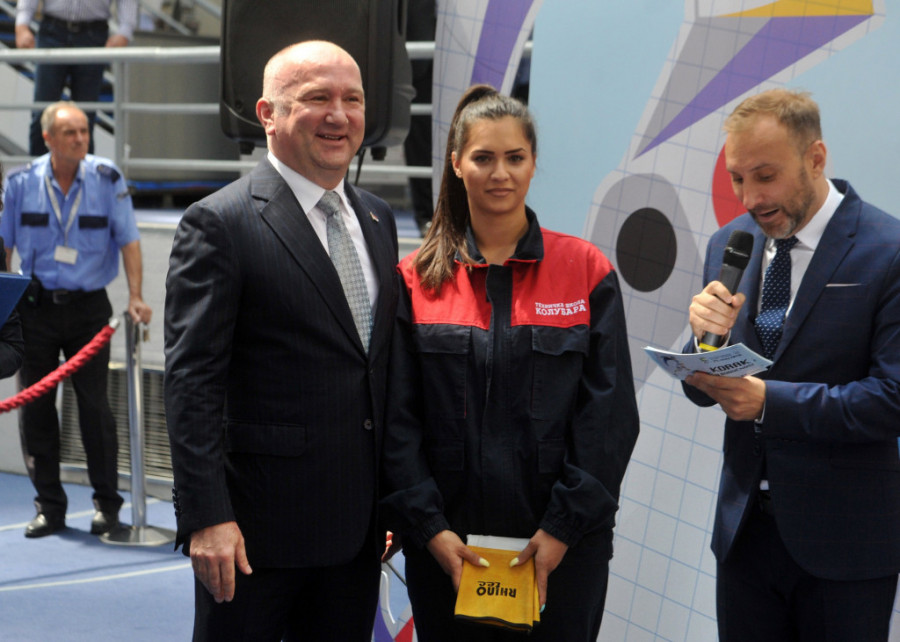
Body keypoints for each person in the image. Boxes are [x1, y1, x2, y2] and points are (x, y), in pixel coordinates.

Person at [381, 85, 640, 641]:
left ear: (533, 162)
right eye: (483, 158)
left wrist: (562, 528)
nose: (500, 173)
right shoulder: (415, 280)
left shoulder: (585, 270)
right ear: (457, 164)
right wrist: (430, 530)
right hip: (449, 552)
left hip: (562, 550)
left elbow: (609, 420)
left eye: (515, 157)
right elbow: (396, 421)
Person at [164, 40, 399, 641]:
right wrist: (207, 517)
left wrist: (396, 497)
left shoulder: (377, 219)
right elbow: (192, 384)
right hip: (253, 540)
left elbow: (377, 371)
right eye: (318, 97)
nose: (339, 115)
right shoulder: (220, 222)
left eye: (353, 99)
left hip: (357, 539)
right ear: (268, 114)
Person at [683, 88, 900, 641]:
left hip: (846, 548)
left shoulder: (888, 250)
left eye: (766, 176)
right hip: (744, 538)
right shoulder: (729, 245)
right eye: (737, 178)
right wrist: (702, 341)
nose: (750, 198)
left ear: (816, 158)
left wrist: (768, 403)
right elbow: (702, 386)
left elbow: (891, 399)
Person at [0, 100, 151, 539]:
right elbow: (4, 248)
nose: (81, 139)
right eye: (70, 133)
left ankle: (107, 507)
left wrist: (136, 295)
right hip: (34, 308)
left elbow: (129, 241)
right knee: (36, 407)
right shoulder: (21, 183)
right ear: (48, 138)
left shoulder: (107, 178)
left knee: (95, 409)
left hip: (89, 310)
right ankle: (49, 507)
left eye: (85, 131)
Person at [15, 0, 140, 156]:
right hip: (52, 30)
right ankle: (38, 170)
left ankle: (84, 170)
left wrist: (125, 31)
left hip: (93, 34)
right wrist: (22, 25)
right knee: (42, 112)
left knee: (85, 116)